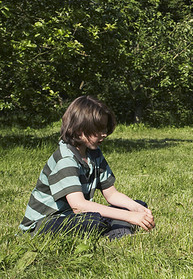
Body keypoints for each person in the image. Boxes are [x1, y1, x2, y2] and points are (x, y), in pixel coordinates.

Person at [20, 95, 155, 239]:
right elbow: (79, 206)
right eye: (99, 129)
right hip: (45, 223)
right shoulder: (65, 159)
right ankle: (116, 229)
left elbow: (112, 194)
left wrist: (137, 209)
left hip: (73, 216)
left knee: (137, 204)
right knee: (92, 221)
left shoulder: (94, 154)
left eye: (105, 128)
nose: (104, 134)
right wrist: (129, 216)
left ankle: (117, 231)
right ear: (79, 129)